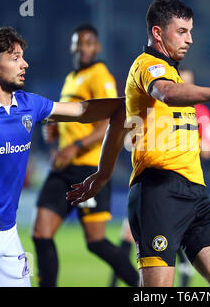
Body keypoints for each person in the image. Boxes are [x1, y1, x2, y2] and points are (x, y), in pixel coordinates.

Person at [67, 0, 210, 287]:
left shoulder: (172, 70)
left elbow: (119, 117)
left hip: (196, 195)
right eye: (182, 31)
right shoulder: (148, 66)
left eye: (191, 31)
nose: (190, 39)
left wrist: (103, 174)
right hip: (158, 192)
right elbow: (166, 92)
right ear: (157, 32)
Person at [0, 26, 126, 287]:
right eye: (15, 58)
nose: (25, 64)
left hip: (8, 234)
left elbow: (80, 110)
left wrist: (126, 103)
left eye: (22, 56)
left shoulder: (29, 104)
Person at [31, 24, 138, 287]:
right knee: (40, 234)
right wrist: (55, 129)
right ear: (71, 47)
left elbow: (111, 122)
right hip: (63, 169)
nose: (82, 48)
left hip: (89, 169)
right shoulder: (71, 78)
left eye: (88, 43)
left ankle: (142, 286)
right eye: (78, 43)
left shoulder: (100, 75)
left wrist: (75, 146)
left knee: (96, 242)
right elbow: (70, 115)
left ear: (97, 47)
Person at [108, 68, 210, 287]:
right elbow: (131, 138)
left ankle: (184, 279)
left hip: (184, 181)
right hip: (151, 182)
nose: (185, 89)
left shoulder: (200, 111)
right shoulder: (155, 106)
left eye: (189, 84)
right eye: (181, 84)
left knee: (175, 241)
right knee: (128, 236)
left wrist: (185, 138)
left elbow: (208, 151)